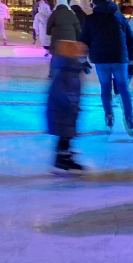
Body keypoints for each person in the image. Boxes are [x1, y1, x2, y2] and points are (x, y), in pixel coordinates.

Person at [80, 0, 133, 137]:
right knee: (123, 88)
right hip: (120, 58)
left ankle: (109, 115)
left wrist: (82, 59)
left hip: (101, 59)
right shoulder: (120, 18)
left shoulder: (90, 20)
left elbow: (84, 40)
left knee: (105, 87)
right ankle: (129, 119)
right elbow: (130, 40)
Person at [47, 38, 90, 174]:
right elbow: (60, 92)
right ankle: (61, 158)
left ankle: (64, 156)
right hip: (62, 110)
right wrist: (70, 104)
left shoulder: (72, 69)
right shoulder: (67, 72)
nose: (83, 56)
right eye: (80, 53)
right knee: (65, 134)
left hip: (68, 109)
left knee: (67, 135)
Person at [45, 0, 81, 77]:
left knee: (56, 56)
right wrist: (78, 37)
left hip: (58, 39)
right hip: (70, 39)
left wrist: (49, 32)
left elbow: (49, 26)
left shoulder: (54, 14)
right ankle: (71, 73)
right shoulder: (71, 14)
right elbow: (77, 27)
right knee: (70, 56)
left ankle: (53, 73)